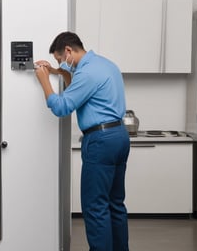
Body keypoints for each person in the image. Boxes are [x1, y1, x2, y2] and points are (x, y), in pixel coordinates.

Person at [34, 31, 130, 251]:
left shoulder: (87, 74)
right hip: (119, 136)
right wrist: (58, 70)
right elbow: (75, 82)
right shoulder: (106, 65)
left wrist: (44, 81)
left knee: (95, 207)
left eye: (60, 59)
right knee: (115, 204)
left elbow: (61, 107)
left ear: (68, 51)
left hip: (101, 141)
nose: (61, 63)